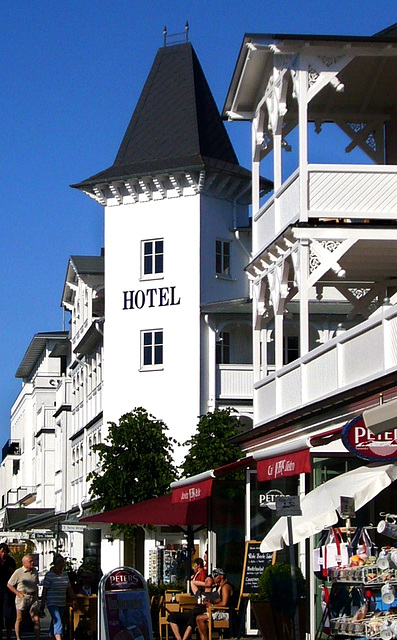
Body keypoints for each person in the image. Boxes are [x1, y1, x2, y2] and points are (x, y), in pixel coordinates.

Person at [40, 554, 77, 640]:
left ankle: (50, 636)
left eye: (62, 563)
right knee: (58, 620)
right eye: (59, 563)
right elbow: (45, 590)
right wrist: (42, 603)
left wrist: (74, 599)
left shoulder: (64, 574)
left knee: (55, 620)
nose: (61, 565)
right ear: (55, 564)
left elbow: (69, 588)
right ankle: (59, 638)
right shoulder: (49, 575)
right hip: (52, 602)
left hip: (61, 601)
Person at [7, 555, 40, 640]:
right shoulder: (19, 572)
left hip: (33, 597)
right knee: (19, 618)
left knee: (36, 618)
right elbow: (9, 585)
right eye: (30, 561)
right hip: (23, 597)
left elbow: (36, 584)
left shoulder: (35, 571)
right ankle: (18, 637)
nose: (32, 563)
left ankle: (37, 637)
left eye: (33, 561)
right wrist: (18, 594)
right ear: (24, 563)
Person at [196, 569, 233, 640]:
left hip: (228, 613)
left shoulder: (225, 587)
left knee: (200, 619)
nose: (214, 578)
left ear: (221, 576)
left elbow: (224, 603)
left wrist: (212, 606)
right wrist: (211, 601)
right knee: (197, 618)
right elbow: (220, 600)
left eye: (215, 576)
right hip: (223, 611)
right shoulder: (222, 587)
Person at [0, 543, 17, 640]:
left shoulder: (10, 561)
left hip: (8, 589)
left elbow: (14, 573)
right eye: (2, 551)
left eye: (5, 552)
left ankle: (9, 636)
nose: (4, 554)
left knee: (9, 613)